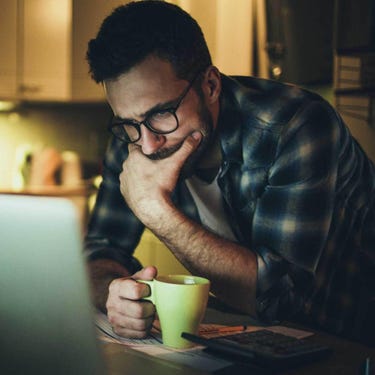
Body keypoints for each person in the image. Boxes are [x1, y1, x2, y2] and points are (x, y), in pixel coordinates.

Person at [85, 0, 375, 345]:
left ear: (210, 85)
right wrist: (113, 293)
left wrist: (156, 211)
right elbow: (100, 249)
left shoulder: (296, 126)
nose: (147, 145)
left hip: (349, 341)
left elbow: (278, 298)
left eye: (162, 113)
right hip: (244, 338)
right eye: (129, 123)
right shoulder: (135, 135)